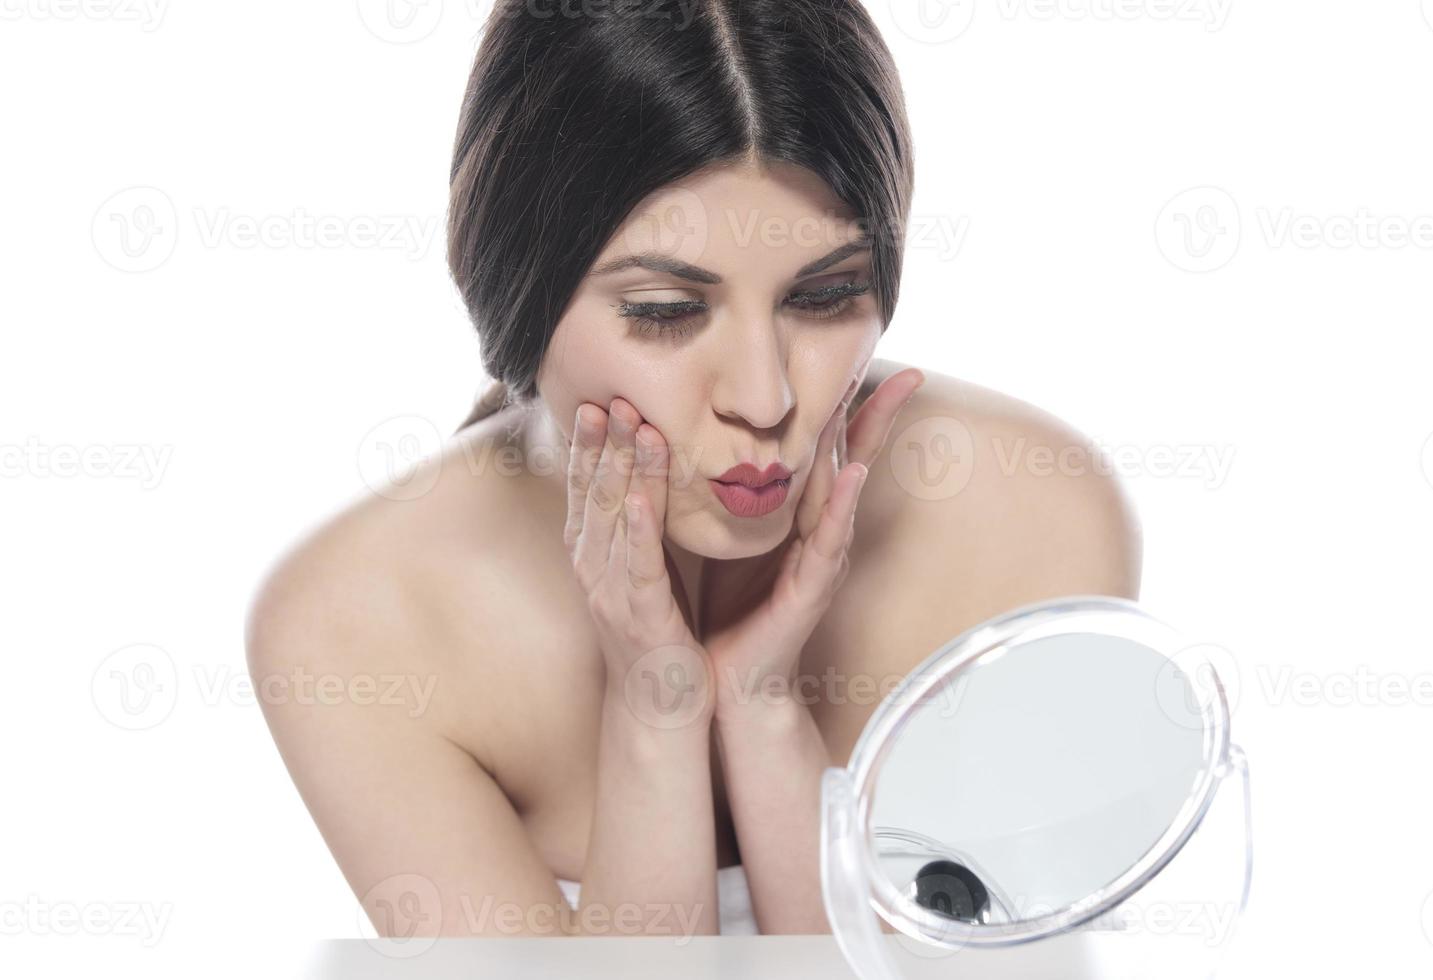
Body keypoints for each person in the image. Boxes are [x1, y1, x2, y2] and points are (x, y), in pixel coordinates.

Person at [246, 0, 1139, 939]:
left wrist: (761, 709)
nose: (764, 398)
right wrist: (654, 708)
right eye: (668, 310)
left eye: (826, 294)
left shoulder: (1035, 519)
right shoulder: (355, 627)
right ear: (519, 303)